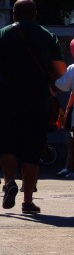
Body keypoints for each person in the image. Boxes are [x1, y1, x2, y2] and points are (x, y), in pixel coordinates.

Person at [0, 0, 65, 214]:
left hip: (9, 99)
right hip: (37, 101)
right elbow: (60, 71)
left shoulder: (3, 34)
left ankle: (9, 182)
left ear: (13, 14)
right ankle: (27, 200)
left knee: (6, 143)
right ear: (35, 14)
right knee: (32, 149)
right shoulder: (47, 36)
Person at [53, 38, 74, 177]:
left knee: (72, 140)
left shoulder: (73, 68)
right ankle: (68, 167)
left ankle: (70, 169)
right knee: (71, 140)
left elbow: (62, 85)